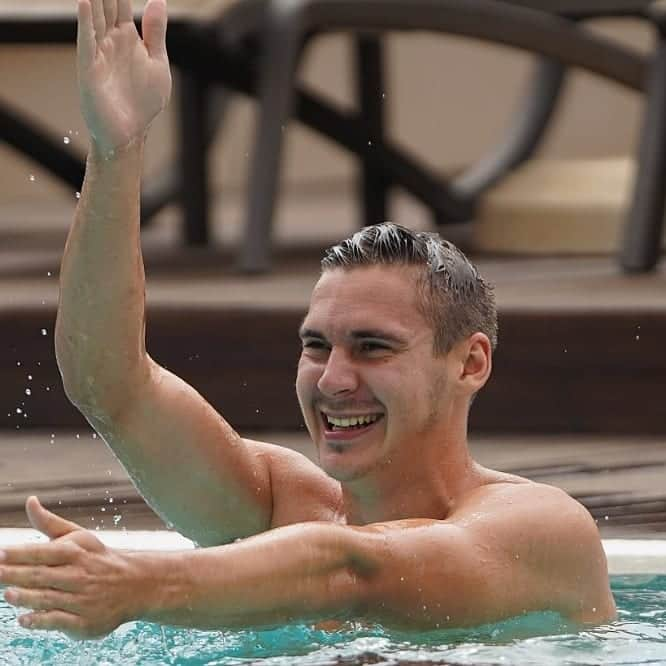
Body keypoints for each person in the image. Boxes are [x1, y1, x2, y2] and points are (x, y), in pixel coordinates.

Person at [0, 0, 615, 640]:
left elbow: (354, 571)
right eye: (317, 346)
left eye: (373, 347)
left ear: (470, 362)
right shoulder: (278, 506)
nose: (333, 380)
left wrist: (140, 586)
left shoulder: (542, 529)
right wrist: (115, 151)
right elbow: (108, 383)